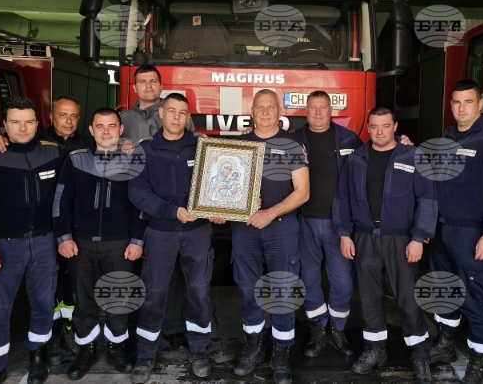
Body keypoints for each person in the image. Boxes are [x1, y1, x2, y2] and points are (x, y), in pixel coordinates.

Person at [0, 96, 91, 364]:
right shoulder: (1, 154)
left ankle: (50, 346)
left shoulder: (77, 147)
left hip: (56, 237)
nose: (23, 128)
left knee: (54, 296)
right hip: (12, 242)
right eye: (15, 122)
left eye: (74, 116)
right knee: (4, 304)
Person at [334, 107, 437, 383]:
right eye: (374, 126)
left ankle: (420, 354)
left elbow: (427, 199)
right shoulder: (356, 159)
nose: (380, 131)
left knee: (407, 297)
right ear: (368, 128)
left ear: (395, 127)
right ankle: (375, 349)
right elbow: (342, 198)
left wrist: (418, 238)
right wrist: (344, 234)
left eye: (385, 126)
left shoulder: (412, 156)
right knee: (369, 296)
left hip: (400, 238)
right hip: (364, 237)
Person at [0, 97, 64, 384]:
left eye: (29, 121)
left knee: (43, 302)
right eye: (15, 122)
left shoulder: (53, 153)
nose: (23, 128)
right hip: (3, 245)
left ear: (37, 123)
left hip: (45, 243)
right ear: (4, 124)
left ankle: (38, 357)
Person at [128, 93, 225, 382]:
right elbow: (137, 192)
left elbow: (220, 183)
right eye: (171, 111)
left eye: (183, 113)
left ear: (188, 117)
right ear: (161, 113)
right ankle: (145, 355)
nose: (176, 117)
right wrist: (172, 211)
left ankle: (199, 351)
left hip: (198, 233)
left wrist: (219, 209)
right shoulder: (145, 150)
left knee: (199, 292)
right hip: (160, 233)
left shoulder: (205, 148)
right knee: (154, 293)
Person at [428, 79, 483, 384]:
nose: (461, 108)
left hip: (471, 233)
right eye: (456, 102)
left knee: (475, 296)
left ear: (480, 104)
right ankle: (446, 343)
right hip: (441, 230)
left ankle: (479, 360)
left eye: (468, 102)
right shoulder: (448, 137)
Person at [52, 108, 147, 379]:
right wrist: (64, 237)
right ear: (91, 130)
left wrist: (137, 240)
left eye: (112, 126)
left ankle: (117, 348)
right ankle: (87, 349)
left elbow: (140, 206)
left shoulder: (132, 161)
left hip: (120, 243)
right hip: (80, 243)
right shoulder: (75, 159)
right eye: (100, 126)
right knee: (83, 300)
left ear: (121, 130)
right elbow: (61, 200)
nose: (106, 131)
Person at [231, 90, 310, 384]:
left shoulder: (292, 145)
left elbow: (303, 192)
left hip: (281, 228)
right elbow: (222, 185)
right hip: (245, 229)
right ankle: (253, 345)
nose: (265, 112)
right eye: (259, 107)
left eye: (270, 107)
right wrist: (222, 208)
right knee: (248, 289)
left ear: (280, 111)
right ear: (251, 111)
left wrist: (270, 212)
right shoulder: (238, 144)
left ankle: (281, 351)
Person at [120, 65, 195, 350]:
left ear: (161, 87)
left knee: (169, 274)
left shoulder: (177, 116)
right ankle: (134, 327)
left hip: (166, 212)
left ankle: (173, 326)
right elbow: (103, 145)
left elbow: (197, 155)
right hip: (133, 204)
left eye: (153, 81)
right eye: (142, 81)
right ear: (135, 87)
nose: (148, 85)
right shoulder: (122, 119)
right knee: (136, 271)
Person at [296, 90, 363, 358]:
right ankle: (318, 329)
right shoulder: (293, 140)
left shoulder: (349, 139)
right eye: (313, 107)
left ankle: (338, 329)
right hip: (304, 222)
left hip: (339, 225)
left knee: (343, 282)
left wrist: (402, 144)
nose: (318, 112)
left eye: (323, 107)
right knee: (308, 279)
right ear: (306, 111)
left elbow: (375, 159)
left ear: (331, 111)